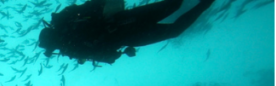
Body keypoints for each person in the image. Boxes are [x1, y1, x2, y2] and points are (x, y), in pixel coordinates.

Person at [39, 0, 215, 64]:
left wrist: (120, 53)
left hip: (128, 36)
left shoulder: (70, 49)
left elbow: (107, 56)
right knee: (172, 5)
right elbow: (87, 7)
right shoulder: (65, 25)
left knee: (174, 30)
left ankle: (205, 3)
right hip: (123, 19)